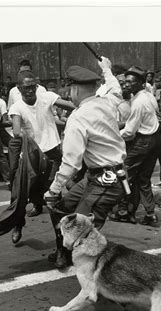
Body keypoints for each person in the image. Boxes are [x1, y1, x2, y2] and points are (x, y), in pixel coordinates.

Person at [43, 65, 127, 269]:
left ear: (75, 89)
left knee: (81, 233)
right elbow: (115, 88)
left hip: (104, 182)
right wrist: (106, 68)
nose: (68, 93)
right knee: (61, 210)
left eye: (69, 88)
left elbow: (71, 162)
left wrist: (53, 189)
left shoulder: (78, 117)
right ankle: (63, 252)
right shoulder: (108, 102)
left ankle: (104, 281)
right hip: (101, 176)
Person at [8, 71, 74, 243]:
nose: (29, 91)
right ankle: (18, 225)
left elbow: (71, 107)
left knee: (53, 195)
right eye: (25, 88)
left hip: (52, 153)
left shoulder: (47, 97)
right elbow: (16, 131)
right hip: (33, 155)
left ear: (37, 86)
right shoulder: (17, 107)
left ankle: (61, 239)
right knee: (20, 194)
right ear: (18, 88)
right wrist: (24, 138)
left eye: (32, 87)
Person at [117, 66, 161, 225]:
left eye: (131, 82)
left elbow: (130, 132)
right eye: (126, 82)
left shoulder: (138, 102)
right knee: (143, 179)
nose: (127, 85)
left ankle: (124, 211)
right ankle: (150, 214)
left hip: (142, 142)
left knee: (124, 176)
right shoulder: (148, 96)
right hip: (154, 140)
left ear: (141, 83)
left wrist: (114, 137)